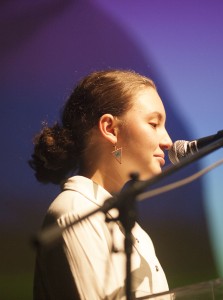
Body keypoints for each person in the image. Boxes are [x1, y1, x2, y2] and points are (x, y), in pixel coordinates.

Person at [29, 69, 173, 299]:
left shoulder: (135, 231)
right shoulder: (75, 211)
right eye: (154, 124)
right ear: (110, 129)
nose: (168, 141)